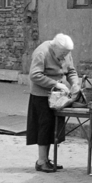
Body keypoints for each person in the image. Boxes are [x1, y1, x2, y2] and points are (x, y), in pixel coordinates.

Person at [26, 33, 78, 172]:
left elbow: (71, 71)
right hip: (42, 95)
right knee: (44, 126)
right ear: (55, 47)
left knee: (53, 127)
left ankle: (47, 160)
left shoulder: (65, 52)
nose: (65, 56)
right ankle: (41, 161)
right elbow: (34, 75)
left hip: (58, 96)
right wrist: (55, 84)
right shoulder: (41, 52)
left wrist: (75, 84)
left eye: (67, 53)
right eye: (63, 53)